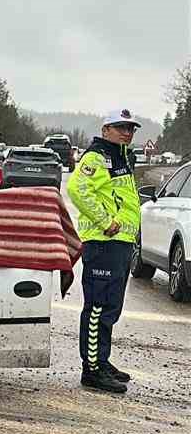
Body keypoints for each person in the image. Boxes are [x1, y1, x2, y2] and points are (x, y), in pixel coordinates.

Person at [65, 110, 142, 394]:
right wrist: (105, 221)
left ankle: (102, 360)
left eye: (131, 129)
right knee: (98, 307)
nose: (127, 133)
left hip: (120, 242)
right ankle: (92, 369)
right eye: (121, 128)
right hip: (103, 241)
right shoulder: (96, 156)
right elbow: (77, 189)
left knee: (111, 306)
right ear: (106, 129)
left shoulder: (121, 156)